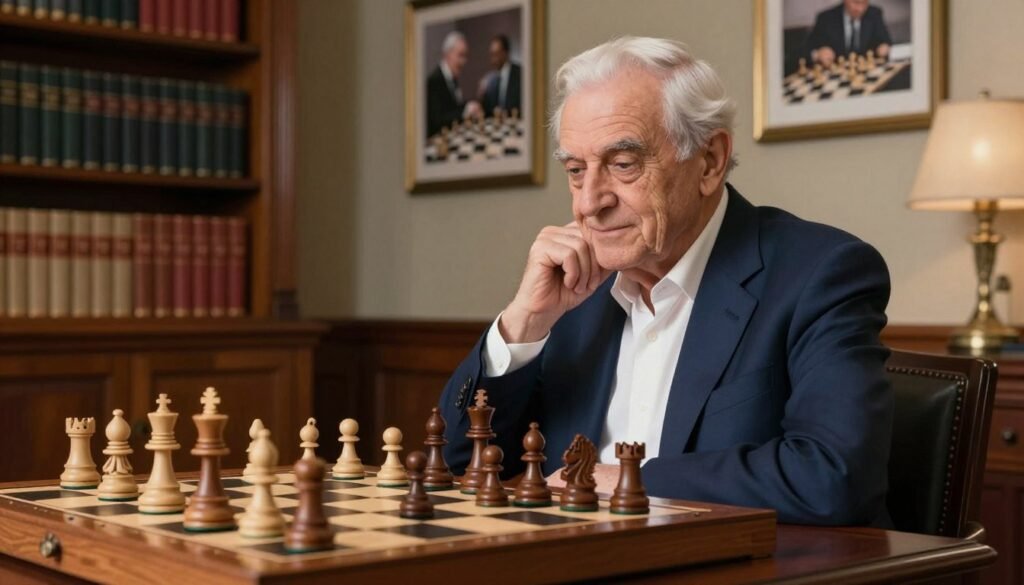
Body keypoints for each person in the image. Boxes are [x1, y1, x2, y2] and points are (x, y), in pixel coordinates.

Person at [437, 36, 893, 526]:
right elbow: (458, 464)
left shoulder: (820, 273)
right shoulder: (573, 291)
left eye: (623, 164)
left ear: (710, 161)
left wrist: (631, 481)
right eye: (575, 170)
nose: (589, 202)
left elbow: (833, 475)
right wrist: (525, 323)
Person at [425, 31, 482, 138]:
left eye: (465, 56)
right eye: (460, 55)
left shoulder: (452, 78)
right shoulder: (434, 81)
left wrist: (469, 106)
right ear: (447, 55)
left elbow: (453, 107)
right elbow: (437, 121)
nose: (464, 61)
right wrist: (465, 111)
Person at [805, 0, 893, 68]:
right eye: (855, 2)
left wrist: (884, 47)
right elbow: (804, 50)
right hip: (835, 74)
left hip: (867, 70)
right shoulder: (826, 18)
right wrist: (817, 54)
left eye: (864, 3)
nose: (860, 9)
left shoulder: (874, 13)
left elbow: (886, 41)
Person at [480, 34, 522, 117]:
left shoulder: (520, 74)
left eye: (496, 54)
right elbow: (487, 109)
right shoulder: (491, 79)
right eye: (491, 55)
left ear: (505, 53)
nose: (493, 60)